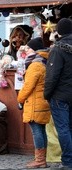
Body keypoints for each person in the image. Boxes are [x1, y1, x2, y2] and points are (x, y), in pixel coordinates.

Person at [17, 37, 51, 169]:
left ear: (35, 50)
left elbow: (28, 86)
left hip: (34, 103)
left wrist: (19, 99)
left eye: (29, 48)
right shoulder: (44, 61)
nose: (27, 51)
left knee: (37, 131)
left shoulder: (35, 65)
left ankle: (40, 160)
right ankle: (42, 159)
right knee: (41, 131)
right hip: (42, 103)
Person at [44, 18, 72, 169]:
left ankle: (68, 161)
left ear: (59, 31)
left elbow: (52, 76)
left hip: (60, 95)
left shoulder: (58, 49)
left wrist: (47, 94)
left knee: (63, 129)